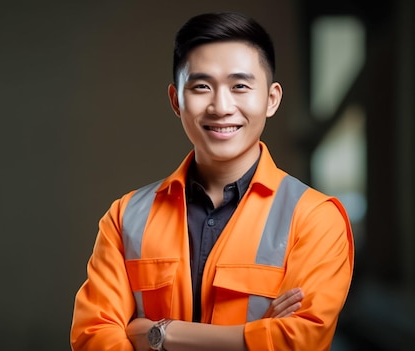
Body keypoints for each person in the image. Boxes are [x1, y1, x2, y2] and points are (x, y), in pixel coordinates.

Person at [70, 11, 354, 351]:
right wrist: (254, 335)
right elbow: (92, 336)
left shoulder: (315, 218)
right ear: (177, 100)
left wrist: (161, 334)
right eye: (202, 86)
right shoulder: (126, 216)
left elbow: (298, 341)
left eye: (240, 86)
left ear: (271, 99)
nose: (221, 106)